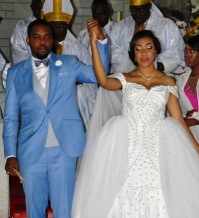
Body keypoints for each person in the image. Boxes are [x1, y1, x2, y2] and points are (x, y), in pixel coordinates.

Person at [68, 29, 199, 218]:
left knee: (164, 197)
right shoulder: (125, 78)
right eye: (138, 49)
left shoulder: (168, 82)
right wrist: (95, 43)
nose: (144, 53)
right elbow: (103, 81)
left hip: (159, 147)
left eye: (148, 47)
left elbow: (177, 119)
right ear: (133, 53)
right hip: (127, 147)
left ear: (156, 51)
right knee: (121, 198)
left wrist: (196, 147)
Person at [3, 18, 109, 218]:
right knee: (35, 210)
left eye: (47, 37)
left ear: (53, 40)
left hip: (65, 149)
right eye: (36, 37)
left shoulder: (69, 64)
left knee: (63, 210)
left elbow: (101, 75)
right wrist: (9, 153)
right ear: (28, 41)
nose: (42, 41)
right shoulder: (16, 73)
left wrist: (102, 42)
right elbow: (11, 116)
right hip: (30, 152)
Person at [43, 0, 97, 128]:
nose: (58, 29)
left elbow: (91, 78)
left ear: (67, 26)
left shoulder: (78, 49)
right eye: (54, 25)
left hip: (75, 100)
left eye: (61, 25)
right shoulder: (43, 49)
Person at [110, 0, 185, 75]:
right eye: (133, 10)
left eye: (141, 9)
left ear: (149, 6)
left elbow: (176, 53)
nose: (137, 14)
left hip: (158, 76)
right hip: (126, 75)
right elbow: (112, 49)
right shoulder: (120, 27)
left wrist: (151, 66)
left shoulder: (167, 25)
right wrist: (129, 62)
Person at [177, 35, 199, 143]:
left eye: (192, 51)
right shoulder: (182, 79)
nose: (187, 55)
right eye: (185, 51)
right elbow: (180, 107)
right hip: (191, 132)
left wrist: (196, 117)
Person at [10, 0, 44, 65]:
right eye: (37, 8)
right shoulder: (22, 27)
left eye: (42, 7)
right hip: (30, 71)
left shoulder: (55, 25)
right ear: (32, 7)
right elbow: (18, 57)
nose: (40, 11)